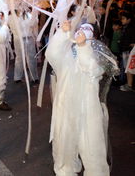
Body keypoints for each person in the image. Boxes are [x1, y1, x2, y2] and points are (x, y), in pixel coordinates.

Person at [46, 21, 109, 176]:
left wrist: (83, 48)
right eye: (80, 28)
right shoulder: (66, 53)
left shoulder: (97, 54)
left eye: (87, 29)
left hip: (88, 110)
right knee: (64, 144)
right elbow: (52, 54)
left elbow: (92, 69)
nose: (82, 32)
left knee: (91, 147)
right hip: (65, 108)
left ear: (94, 35)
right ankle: (66, 170)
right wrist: (62, 33)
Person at [9, 9, 39, 83]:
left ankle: (34, 77)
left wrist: (35, 15)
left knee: (32, 58)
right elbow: (13, 27)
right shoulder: (11, 17)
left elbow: (33, 25)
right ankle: (17, 77)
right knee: (19, 58)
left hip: (29, 38)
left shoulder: (29, 15)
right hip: (18, 39)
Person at [119, 11, 135, 92]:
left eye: (123, 19)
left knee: (128, 68)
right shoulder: (126, 27)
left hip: (129, 51)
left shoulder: (131, 29)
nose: (122, 20)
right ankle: (126, 83)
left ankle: (128, 84)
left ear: (129, 19)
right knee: (126, 67)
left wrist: (126, 48)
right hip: (126, 50)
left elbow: (130, 42)